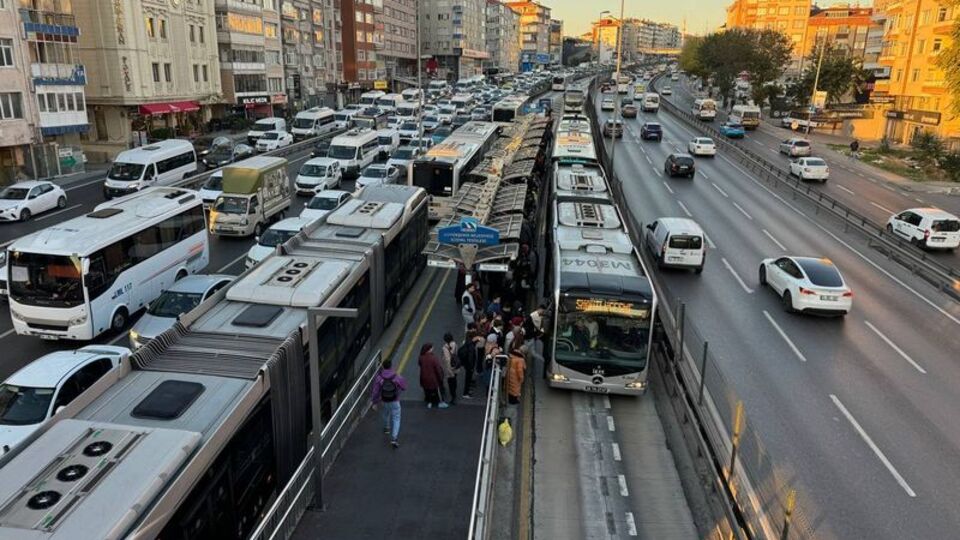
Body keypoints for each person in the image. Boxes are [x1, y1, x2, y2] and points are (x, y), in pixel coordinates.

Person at [370, 359, 407, 449]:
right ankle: (394, 438)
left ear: (383, 366)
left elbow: (375, 391)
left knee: (386, 413)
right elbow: (404, 387)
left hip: (384, 400)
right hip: (395, 400)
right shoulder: (396, 376)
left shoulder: (379, 377)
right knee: (396, 418)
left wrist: (374, 402)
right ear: (391, 366)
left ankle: (386, 427)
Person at [418, 343, 447, 409]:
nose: (432, 349)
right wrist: (441, 377)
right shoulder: (433, 358)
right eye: (431, 348)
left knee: (428, 390)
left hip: (424, 377)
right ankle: (441, 402)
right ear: (429, 349)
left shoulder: (421, 357)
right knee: (437, 390)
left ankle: (429, 402)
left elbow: (420, 364)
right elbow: (438, 369)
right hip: (433, 378)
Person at [506, 337, 527, 405]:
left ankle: (510, 399)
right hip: (516, 376)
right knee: (515, 389)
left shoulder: (512, 355)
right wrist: (521, 378)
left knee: (510, 387)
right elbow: (520, 370)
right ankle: (514, 401)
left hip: (510, 372)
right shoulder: (520, 359)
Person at [440, 333, 458, 405]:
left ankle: (453, 396)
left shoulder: (445, 348)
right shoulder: (455, 344)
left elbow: (447, 360)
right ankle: (454, 394)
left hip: (450, 368)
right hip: (455, 365)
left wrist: (450, 372)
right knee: (454, 381)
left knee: (450, 382)